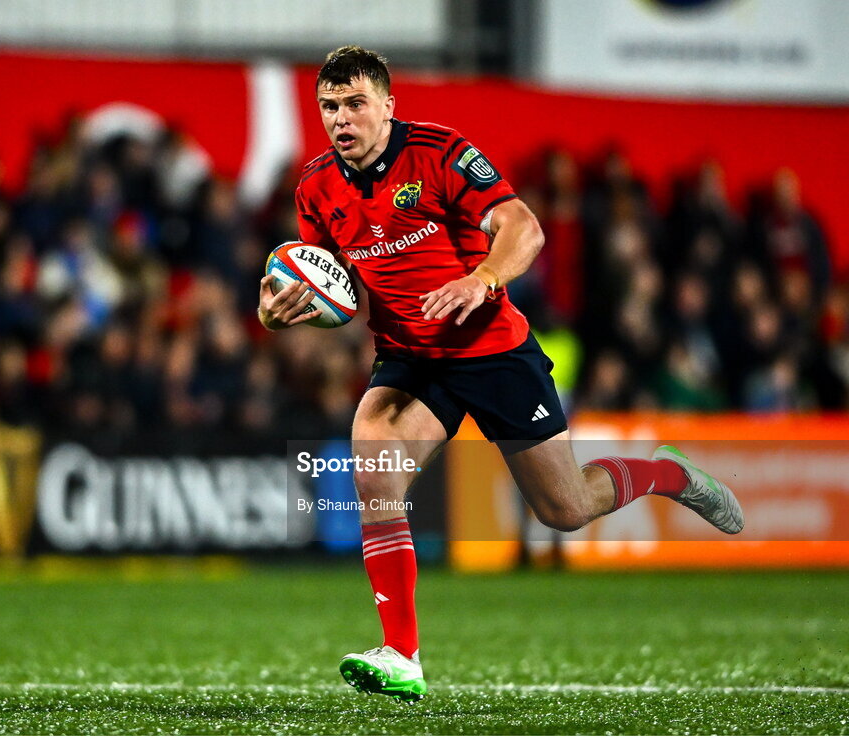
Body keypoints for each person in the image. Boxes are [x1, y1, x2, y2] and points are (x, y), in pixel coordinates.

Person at [257, 46, 743, 703]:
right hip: (411, 356)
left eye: (356, 104)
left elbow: (525, 228)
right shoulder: (315, 188)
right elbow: (338, 288)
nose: (342, 119)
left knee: (565, 509)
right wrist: (281, 309)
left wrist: (481, 277)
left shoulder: (441, 153)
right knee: (372, 463)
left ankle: (666, 472)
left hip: (491, 348)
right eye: (329, 108)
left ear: (388, 105)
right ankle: (402, 654)